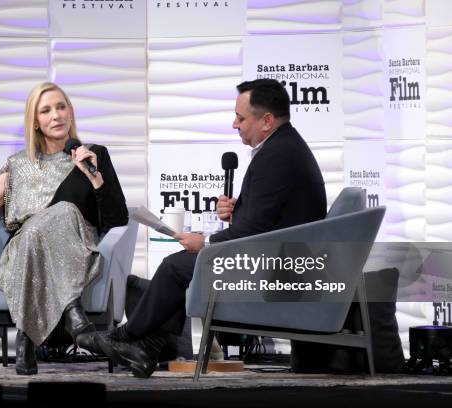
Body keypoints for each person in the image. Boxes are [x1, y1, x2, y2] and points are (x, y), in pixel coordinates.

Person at [77, 78, 327, 378]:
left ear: (267, 121)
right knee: (180, 266)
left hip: (275, 270)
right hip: (277, 258)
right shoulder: (284, 147)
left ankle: (125, 337)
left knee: (175, 266)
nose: (235, 124)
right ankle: (146, 349)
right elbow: (267, 219)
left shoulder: (277, 155)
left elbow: (253, 233)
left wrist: (206, 243)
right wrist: (238, 211)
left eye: (241, 117)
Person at [0, 82, 128, 375]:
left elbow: (117, 219)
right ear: (35, 122)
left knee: (60, 212)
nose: (56, 115)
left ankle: (26, 338)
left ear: (71, 112)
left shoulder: (94, 155)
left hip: (74, 246)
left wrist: (94, 178)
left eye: (61, 107)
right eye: (46, 110)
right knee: (34, 230)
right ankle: (78, 323)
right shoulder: (18, 165)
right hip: (24, 249)